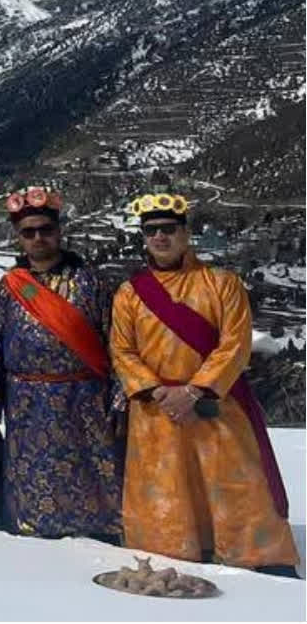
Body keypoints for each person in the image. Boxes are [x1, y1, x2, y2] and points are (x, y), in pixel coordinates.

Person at [110, 192, 299, 577]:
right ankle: (171, 557)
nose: (160, 237)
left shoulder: (221, 283)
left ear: (185, 232)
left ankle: (254, 558)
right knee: (169, 488)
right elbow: (122, 350)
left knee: (234, 484)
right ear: (143, 237)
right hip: (156, 407)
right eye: (151, 231)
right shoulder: (129, 294)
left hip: (216, 403)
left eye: (168, 229)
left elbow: (236, 343)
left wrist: (194, 391)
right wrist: (159, 391)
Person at [0, 187, 123, 541]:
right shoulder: (9, 288)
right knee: (32, 474)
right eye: (29, 232)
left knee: (89, 472)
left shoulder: (91, 281)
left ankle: (99, 534)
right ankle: (33, 535)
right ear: (18, 238)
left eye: (45, 229)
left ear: (59, 231)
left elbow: (117, 343)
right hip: (27, 404)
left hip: (85, 400)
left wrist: (119, 398)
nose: (38, 238)